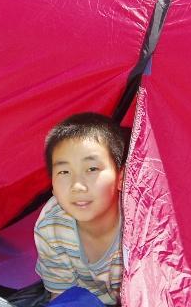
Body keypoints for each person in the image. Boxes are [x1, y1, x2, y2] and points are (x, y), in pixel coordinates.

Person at [34, 112, 125, 305]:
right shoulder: (50, 227)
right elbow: (64, 298)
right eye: (64, 172)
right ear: (52, 185)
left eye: (92, 169)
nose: (77, 185)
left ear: (120, 178)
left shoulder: (142, 227)